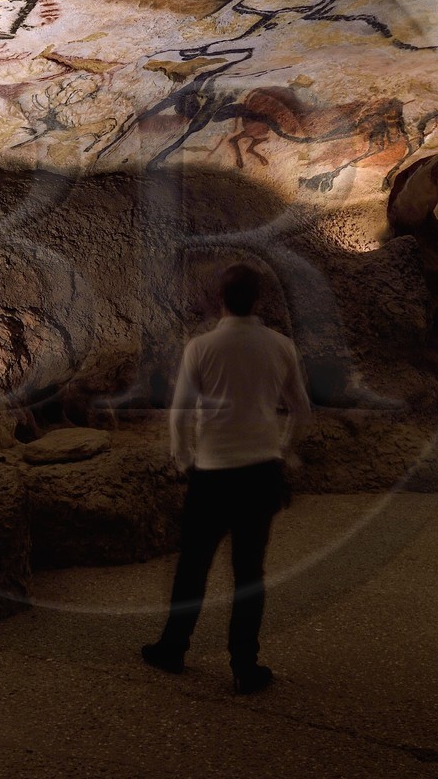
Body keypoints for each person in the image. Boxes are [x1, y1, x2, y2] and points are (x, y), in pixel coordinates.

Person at [141, 263, 312, 694]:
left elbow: (180, 412)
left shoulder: (200, 348)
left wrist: (183, 458)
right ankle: (244, 665)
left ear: (220, 299)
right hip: (260, 471)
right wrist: (286, 450)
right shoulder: (281, 346)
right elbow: (301, 410)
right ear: (258, 301)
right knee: (249, 573)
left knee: (193, 567)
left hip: (213, 473)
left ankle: (173, 648)